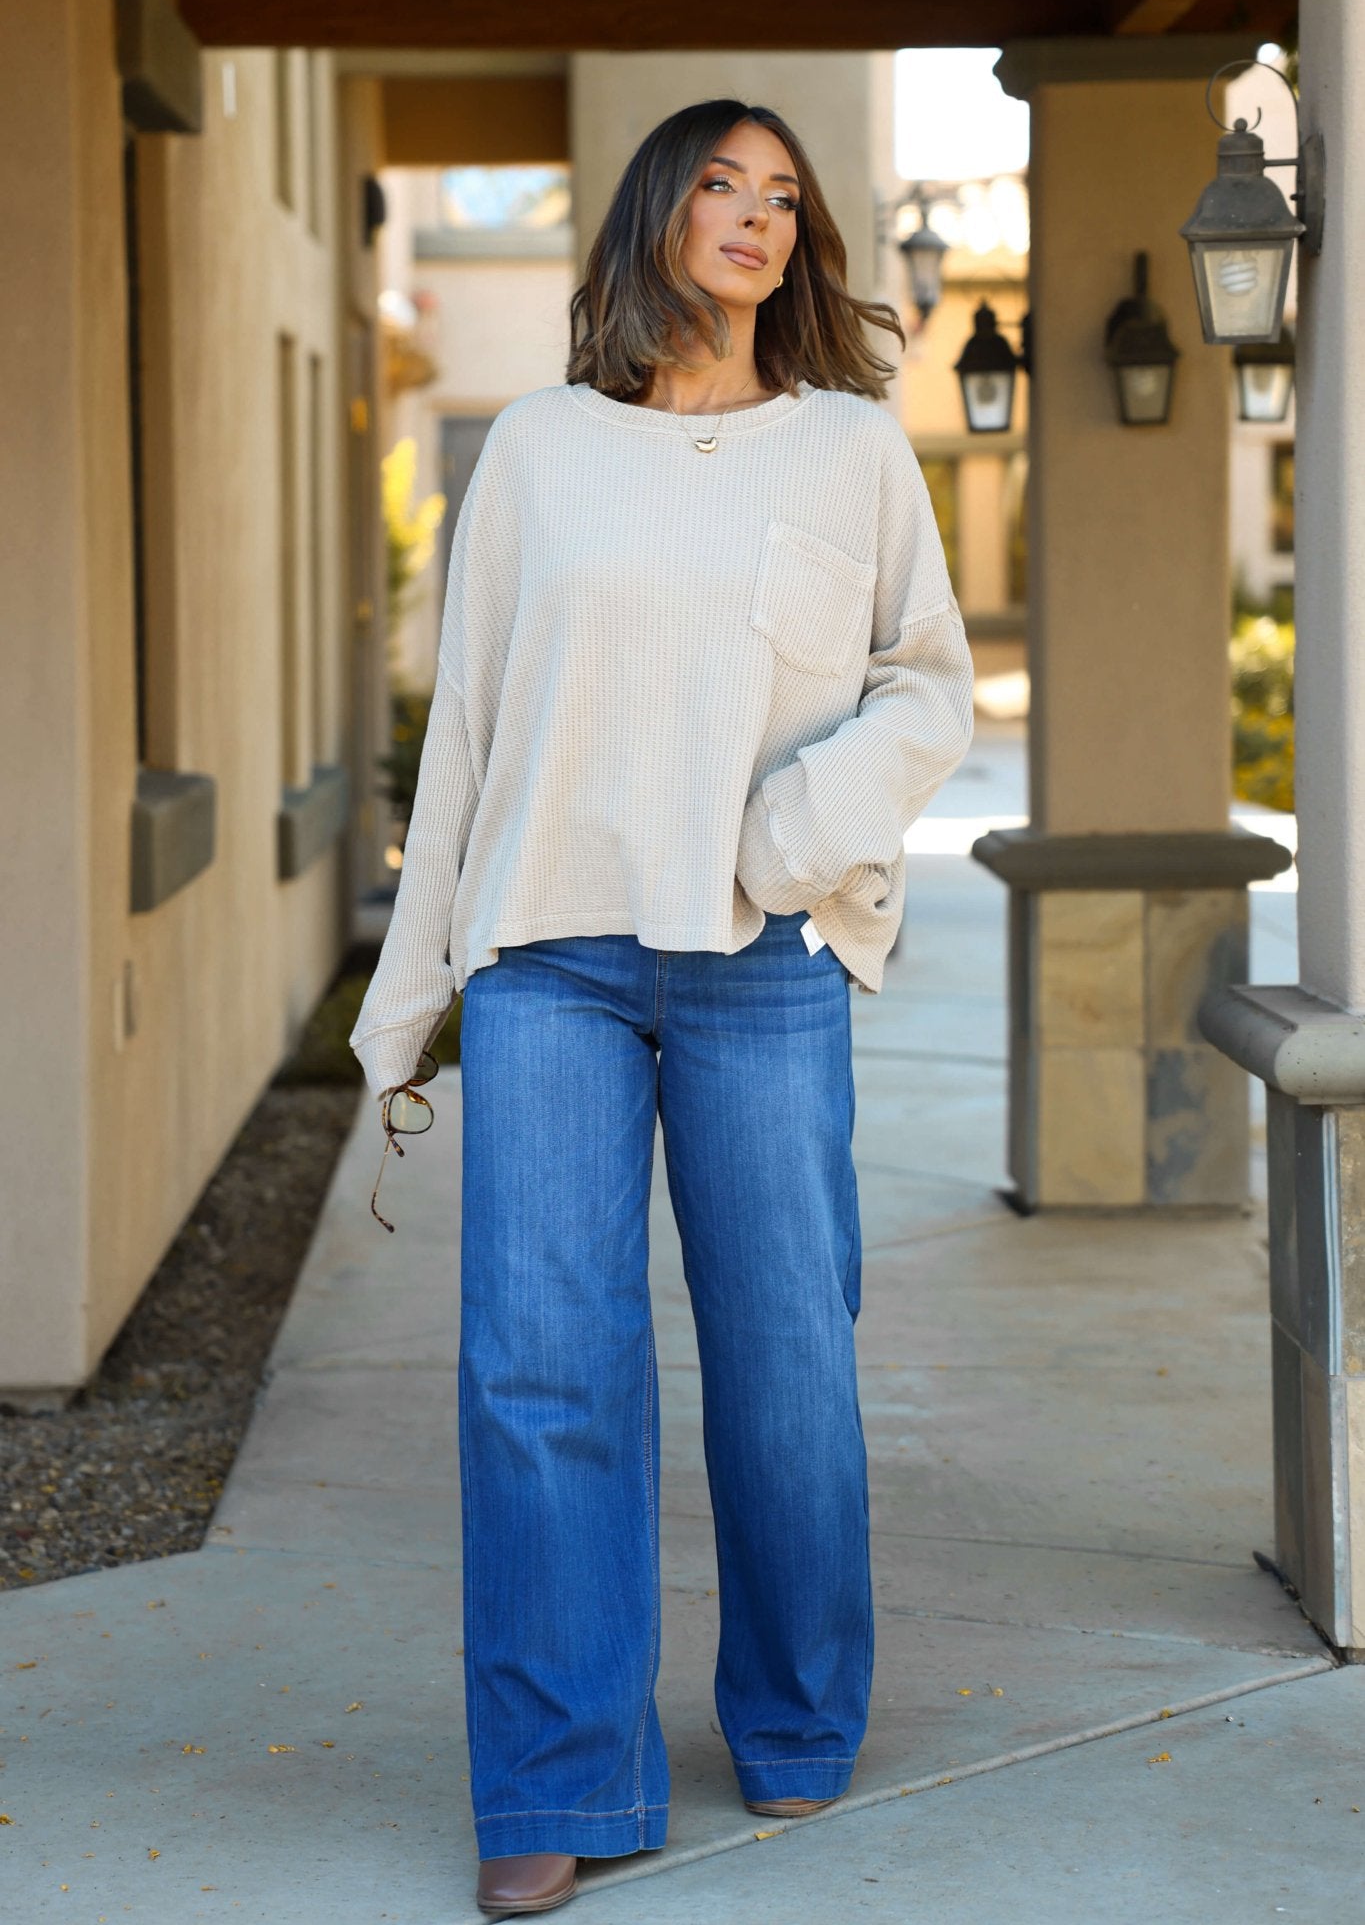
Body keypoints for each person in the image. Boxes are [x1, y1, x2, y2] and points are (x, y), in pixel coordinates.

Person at [349, 97, 976, 1920]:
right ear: (655, 212)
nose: (756, 217)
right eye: (720, 182)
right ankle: (555, 1777)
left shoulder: (852, 452)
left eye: (785, 196)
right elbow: (465, 732)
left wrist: (788, 837)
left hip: (760, 965)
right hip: (552, 951)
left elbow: (922, 694)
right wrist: (413, 997)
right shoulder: (538, 452)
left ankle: (793, 1718)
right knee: (539, 1374)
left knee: (786, 1366)